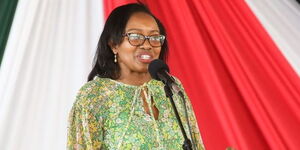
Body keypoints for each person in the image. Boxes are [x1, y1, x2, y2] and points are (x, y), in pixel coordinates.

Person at [67, 3, 205, 150]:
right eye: (136, 36)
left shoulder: (171, 86)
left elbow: (195, 144)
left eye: (154, 37)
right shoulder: (94, 96)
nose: (147, 45)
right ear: (114, 44)